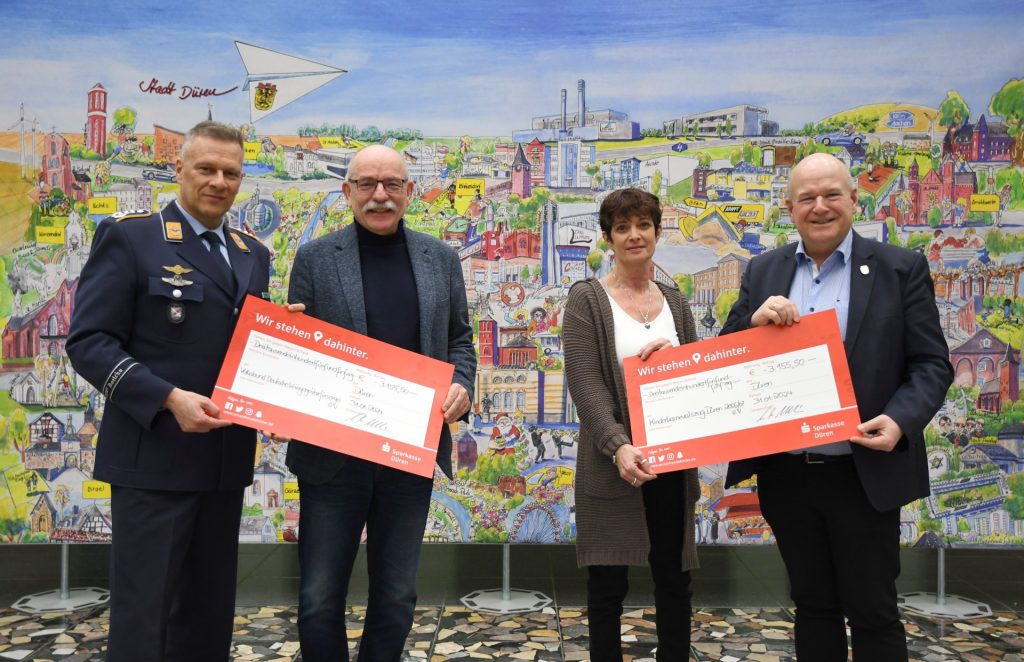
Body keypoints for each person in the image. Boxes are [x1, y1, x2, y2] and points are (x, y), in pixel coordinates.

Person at [722, 153, 953, 661]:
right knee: (812, 606)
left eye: (831, 195)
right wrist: (751, 324)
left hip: (863, 473)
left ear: (854, 198)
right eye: (807, 198)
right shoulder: (763, 271)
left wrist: (899, 421)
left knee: (873, 610)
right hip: (787, 477)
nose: (820, 207)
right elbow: (725, 359)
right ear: (789, 208)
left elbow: (932, 365)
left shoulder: (899, 268)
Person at [66, 120, 272, 662]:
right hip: (154, 459)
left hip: (223, 462)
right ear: (178, 169)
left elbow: (241, 345)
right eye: (206, 168)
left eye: (231, 172)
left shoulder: (253, 253)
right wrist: (165, 397)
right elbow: (89, 342)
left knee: (208, 615)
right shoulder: (131, 236)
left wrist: (283, 343)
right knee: (145, 618)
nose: (219, 181)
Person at [285, 145, 475, 662]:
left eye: (392, 184)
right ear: (347, 193)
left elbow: (461, 341)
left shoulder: (441, 258)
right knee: (319, 599)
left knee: (396, 596)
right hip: (331, 459)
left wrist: (462, 386)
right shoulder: (316, 258)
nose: (380, 195)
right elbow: (299, 351)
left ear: (409, 192)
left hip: (409, 454)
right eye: (366, 184)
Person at [562, 188, 700, 662]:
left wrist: (676, 361)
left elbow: (697, 375)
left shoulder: (676, 301)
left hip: (671, 466)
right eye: (622, 227)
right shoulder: (587, 299)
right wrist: (619, 445)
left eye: (643, 225)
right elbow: (584, 382)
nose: (634, 235)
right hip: (612, 465)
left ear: (658, 233)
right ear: (608, 238)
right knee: (606, 588)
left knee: (674, 582)